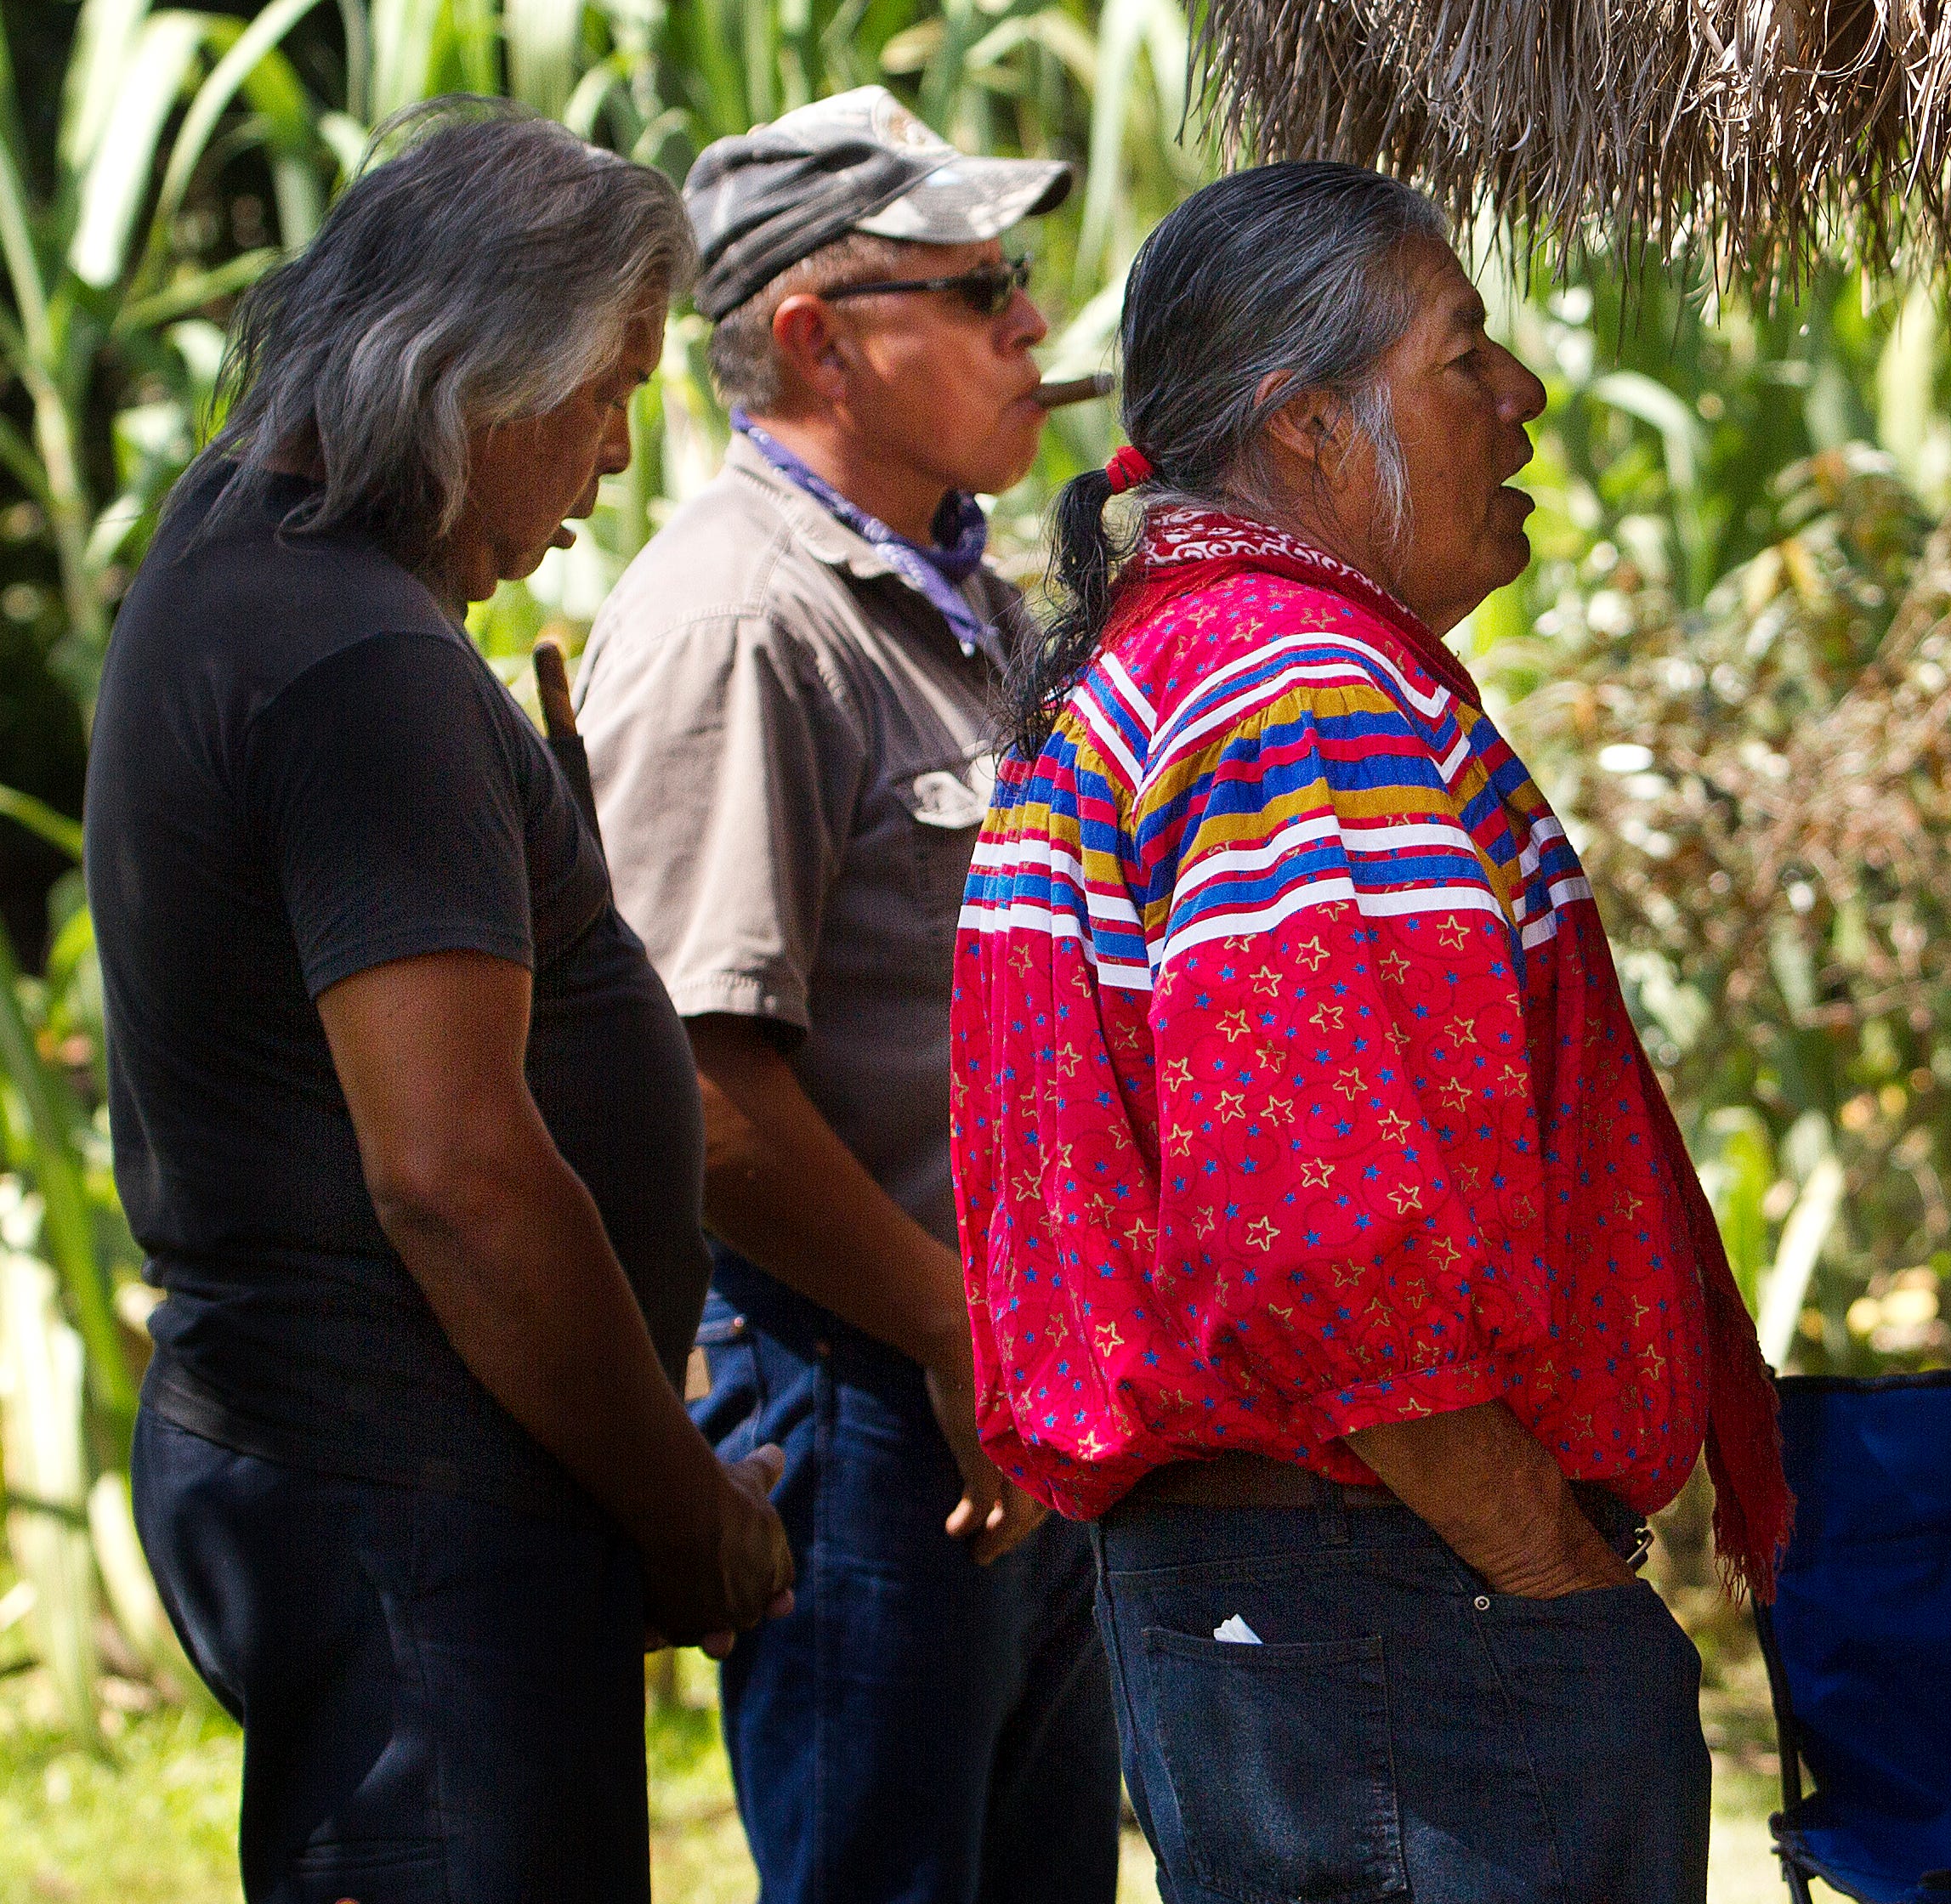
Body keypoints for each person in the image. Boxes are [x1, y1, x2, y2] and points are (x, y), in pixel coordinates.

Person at [950, 161, 1793, 1903]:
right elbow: (1320, 1228)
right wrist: (1543, 1562)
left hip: (1309, 1603)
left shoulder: (1174, 672)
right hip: (1399, 1606)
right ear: (1311, 427)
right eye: (1461, 354)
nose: (1521, 398)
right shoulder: (1300, 694)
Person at [87, 101, 792, 1900]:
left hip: (369, 1484)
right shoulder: (354, 659)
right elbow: (457, 1178)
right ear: (471, 372)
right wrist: (682, 1508)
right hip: (408, 1510)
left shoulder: (246, 557)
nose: (613, 456)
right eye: (601, 393)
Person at [574, 87, 1121, 1903]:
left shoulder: (957, 593)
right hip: (866, 1385)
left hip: (999, 1371)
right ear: (817, 337)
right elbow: (701, 1098)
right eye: (979, 289)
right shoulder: (742, 617)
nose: (1032, 326)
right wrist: (954, 1330)